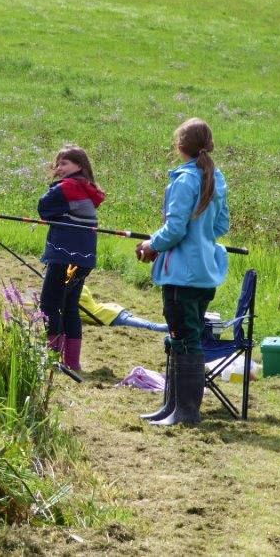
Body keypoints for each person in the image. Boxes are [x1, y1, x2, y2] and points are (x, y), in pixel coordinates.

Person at [135, 118, 230, 426]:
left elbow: (175, 229)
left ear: (180, 146)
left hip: (181, 275)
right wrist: (200, 238)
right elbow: (221, 225)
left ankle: (186, 412)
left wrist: (151, 244)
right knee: (185, 337)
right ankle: (172, 406)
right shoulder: (216, 178)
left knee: (184, 339)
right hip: (205, 272)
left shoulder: (185, 180)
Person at [38, 145, 105, 371]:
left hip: (64, 256)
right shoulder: (88, 188)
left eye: (64, 163)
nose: (59, 168)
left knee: (50, 304)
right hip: (84, 258)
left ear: (79, 165)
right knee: (69, 307)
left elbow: (44, 207)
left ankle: (53, 360)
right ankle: (72, 362)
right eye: (57, 164)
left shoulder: (67, 187)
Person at [77, 284, 169, 332]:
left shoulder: (76, 293)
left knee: (151, 326)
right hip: (112, 311)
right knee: (150, 325)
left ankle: (176, 329)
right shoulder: (81, 288)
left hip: (113, 317)